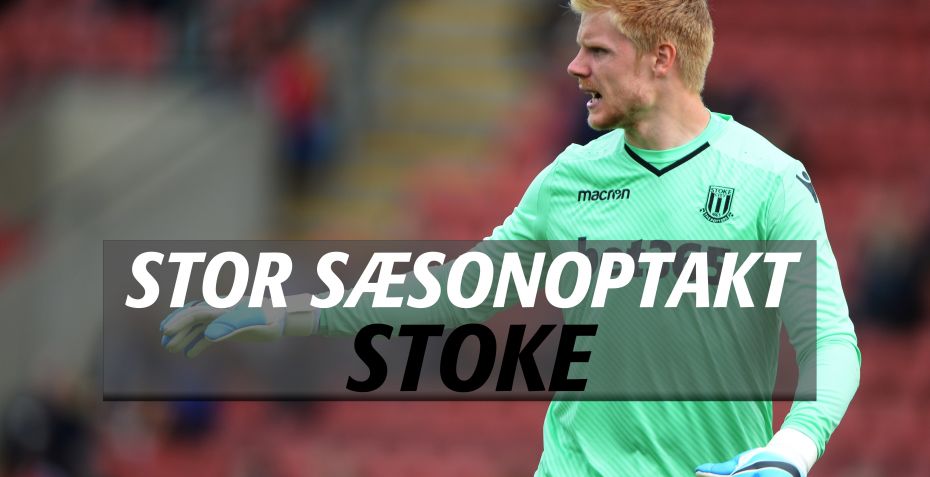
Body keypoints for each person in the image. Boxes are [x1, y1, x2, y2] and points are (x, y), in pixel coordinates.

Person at [160, 1, 860, 475]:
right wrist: (287, 311)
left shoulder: (768, 179)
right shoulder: (570, 179)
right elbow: (446, 297)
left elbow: (831, 342)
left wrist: (792, 449)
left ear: (661, 59)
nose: (575, 67)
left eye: (596, 50)